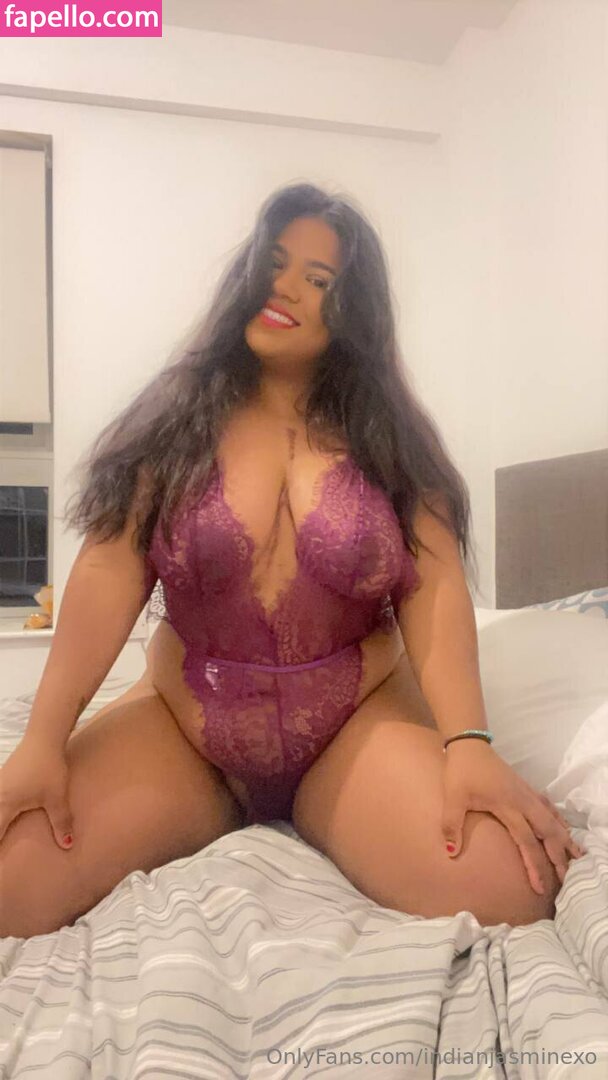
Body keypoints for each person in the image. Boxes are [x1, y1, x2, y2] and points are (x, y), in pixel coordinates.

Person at [0, 182, 583, 938]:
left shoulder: (394, 442)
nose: (286, 287)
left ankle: (327, 816)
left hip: (351, 736)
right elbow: (108, 571)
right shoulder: (172, 426)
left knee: (511, 886)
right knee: (11, 884)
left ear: (354, 309)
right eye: (275, 263)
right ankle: (206, 812)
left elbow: (434, 587)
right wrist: (41, 742)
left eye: (319, 279)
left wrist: (468, 743)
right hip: (185, 735)